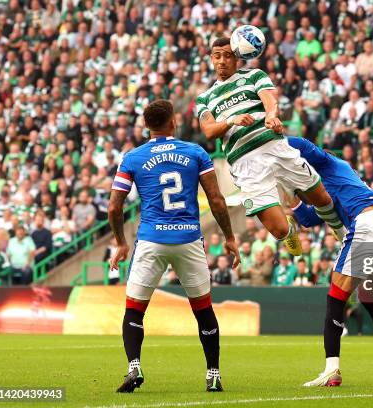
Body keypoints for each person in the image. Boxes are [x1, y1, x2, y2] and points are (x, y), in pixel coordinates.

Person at [108, 100, 240, 393]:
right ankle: (213, 373)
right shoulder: (195, 152)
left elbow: (115, 208)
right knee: (203, 310)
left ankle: (134, 367)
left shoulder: (132, 157)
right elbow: (216, 200)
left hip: (151, 239)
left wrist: (120, 242)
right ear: (173, 122)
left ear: (147, 126)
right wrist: (229, 237)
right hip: (189, 239)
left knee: (134, 310)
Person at [196, 37, 345, 257]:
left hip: (274, 146)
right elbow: (208, 130)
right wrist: (231, 120)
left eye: (228, 55)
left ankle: (343, 234)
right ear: (210, 58)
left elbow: (269, 99)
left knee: (321, 198)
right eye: (217, 56)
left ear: (237, 57)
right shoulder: (205, 98)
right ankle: (288, 231)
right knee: (277, 229)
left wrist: (271, 115)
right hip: (245, 164)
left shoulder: (254, 75)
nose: (222, 61)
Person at [286, 137, 373, 387]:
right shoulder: (330, 188)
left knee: (335, 296)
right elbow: (310, 218)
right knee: (370, 299)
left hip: (369, 224)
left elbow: (303, 145)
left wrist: (270, 144)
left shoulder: (330, 163)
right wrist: (289, 192)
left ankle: (332, 370)